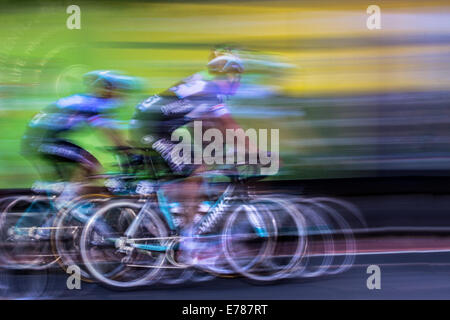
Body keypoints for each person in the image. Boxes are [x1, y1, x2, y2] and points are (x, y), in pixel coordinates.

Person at [130, 47, 259, 261]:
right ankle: (188, 242)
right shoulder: (209, 89)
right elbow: (229, 125)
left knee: (198, 165)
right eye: (236, 77)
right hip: (150, 130)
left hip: (153, 127)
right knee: (195, 171)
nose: (237, 82)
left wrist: (223, 152)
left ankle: (162, 210)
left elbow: (204, 128)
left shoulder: (201, 87)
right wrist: (257, 152)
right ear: (228, 75)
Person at [22, 70, 139, 208]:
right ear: (108, 89)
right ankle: (66, 206)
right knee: (91, 163)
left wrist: (126, 150)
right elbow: (111, 135)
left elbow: (113, 135)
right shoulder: (95, 104)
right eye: (120, 90)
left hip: (42, 140)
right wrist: (131, 153)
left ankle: (66, 205)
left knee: (82, 171)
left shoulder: (87, 100)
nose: (122, 94)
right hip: (41, 142)